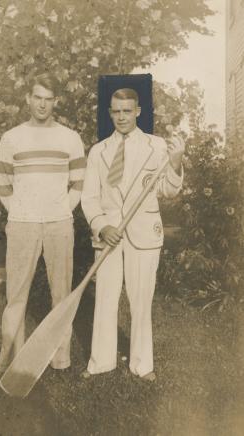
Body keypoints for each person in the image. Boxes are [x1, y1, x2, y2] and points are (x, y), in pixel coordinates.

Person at [81, 88, 184, 381]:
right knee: (105, 297)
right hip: (109, 236)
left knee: (141, 299)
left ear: (138, 111)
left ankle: (142, 365)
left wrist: (175, 163)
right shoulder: (98, 151)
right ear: (110, 113)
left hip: (144, 234)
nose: (122, 117)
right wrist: (102, 226)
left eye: (128, 111)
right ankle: (100, 362)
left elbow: (169, 191)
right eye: (116, 111)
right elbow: (89, 198)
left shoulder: (158, 146)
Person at [0, 73, 86, 373]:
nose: (43, 105)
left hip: (59, 224)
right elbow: (4, 187)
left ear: (55, 102)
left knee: (61, 292)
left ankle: (60, 358)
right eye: (38, 98)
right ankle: (12, 357)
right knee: (16, 294)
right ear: (28, 99)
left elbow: (78, 185)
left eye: (49, 99)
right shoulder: (11, 138)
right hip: (22, 224)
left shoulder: (70, 138)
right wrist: (23, 211)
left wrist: (60, 210)